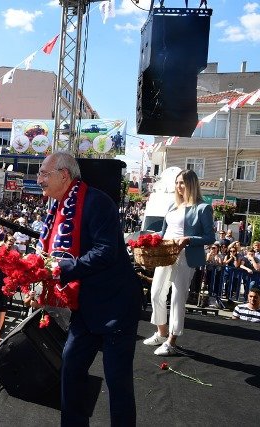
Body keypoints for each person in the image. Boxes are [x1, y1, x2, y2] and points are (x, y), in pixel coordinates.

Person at [35, 152, 141, 426]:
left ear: (65, 175)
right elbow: (51, 252)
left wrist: (60, 269)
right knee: (70, 368)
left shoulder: (97, 202)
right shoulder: (55, 207)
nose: (39, 179)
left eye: (45, 173)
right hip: (85, 307)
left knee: (118, 382)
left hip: (115, 305)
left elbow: (106, 252)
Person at [144, 169, 215, 356]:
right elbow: (163, 232)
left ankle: (172, 341)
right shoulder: (173, 206)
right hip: (166, 253)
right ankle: (161, 332)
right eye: (177, 183)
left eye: (182, 182)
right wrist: (148, 240)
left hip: (186, 256)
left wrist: (188, 239)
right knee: (156, 292)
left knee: (177, 298)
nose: (179, 186)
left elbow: (210, 237)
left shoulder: (203, 208)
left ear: (192, 184)